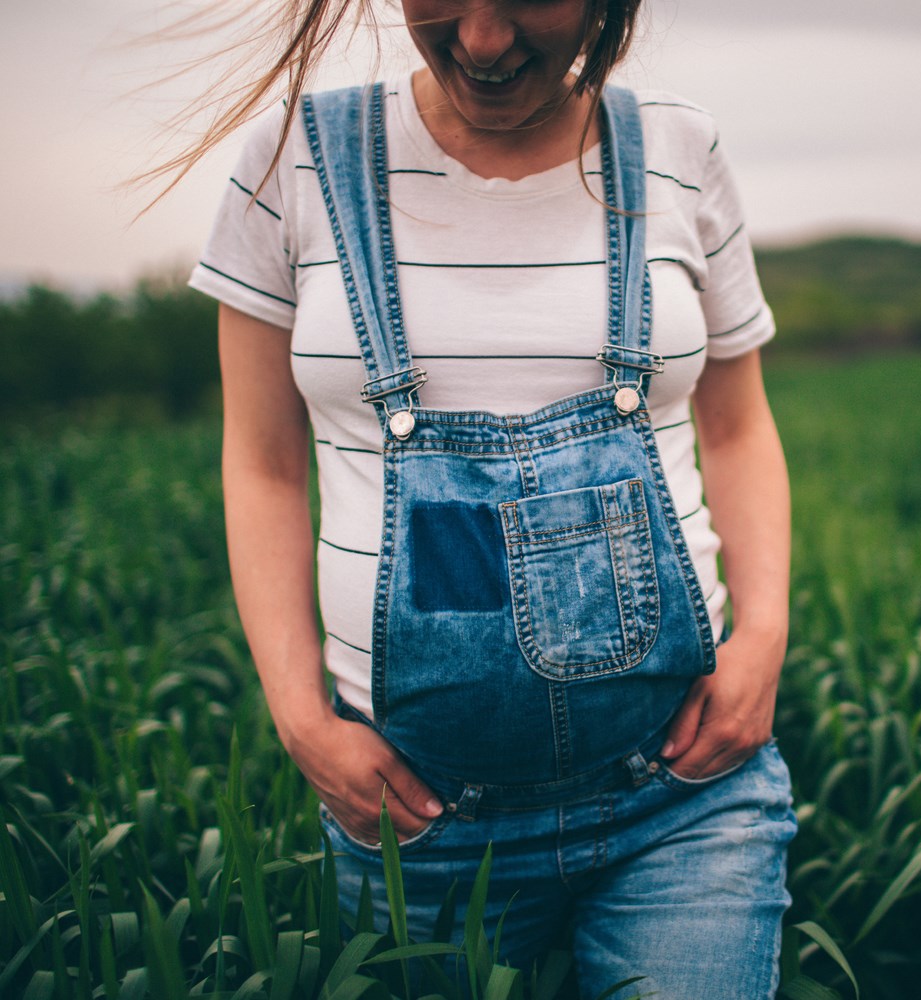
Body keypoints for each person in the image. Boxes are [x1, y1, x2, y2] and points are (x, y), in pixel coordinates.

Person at [187, 0, 797, 994]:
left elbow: (737, 425)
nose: (481, 40)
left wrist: (762, 634)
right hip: (415, 817)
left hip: (681, 796)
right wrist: (299, 715)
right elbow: (261, 461)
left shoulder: (679, 149)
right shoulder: (292, 158)